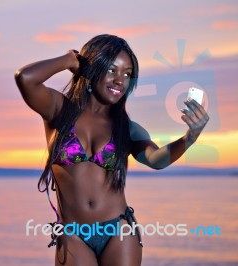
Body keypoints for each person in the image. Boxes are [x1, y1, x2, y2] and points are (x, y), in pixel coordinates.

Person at [14, 34, 209, 266]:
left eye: (127, 74)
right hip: (73, 235)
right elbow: (25, 78)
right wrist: (69, 60)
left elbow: (157, 160)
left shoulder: (126, 129)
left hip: (119, 231)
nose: (120, 80)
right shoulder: (58, 109)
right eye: (112, 70)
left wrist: (190, 137)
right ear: (92, 67)